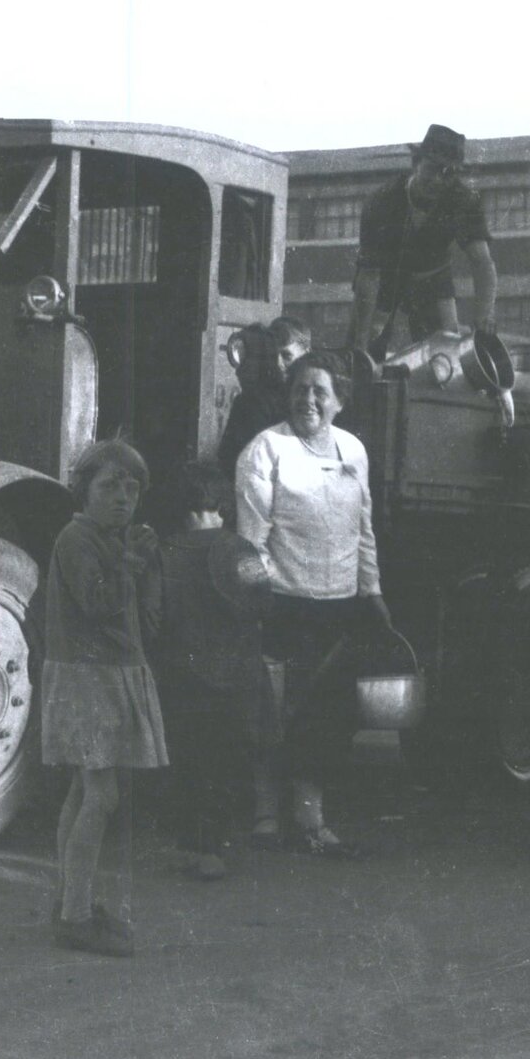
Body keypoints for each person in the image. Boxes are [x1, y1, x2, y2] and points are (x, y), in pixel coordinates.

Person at [236, 351, 391, 859]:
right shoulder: (266, 449)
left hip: (338, 607)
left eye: (320, 391)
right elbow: (251, 540)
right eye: (301, 389)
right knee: (273, 713)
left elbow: (363, 529)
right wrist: (258, 597)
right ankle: (263, 814)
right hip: (282, 603)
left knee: (326, 716)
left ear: (339, 401)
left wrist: (372, 591)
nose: (309, 400)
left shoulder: (354, 451)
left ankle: (309, 818)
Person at [40, 438, 168, 957]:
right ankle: (75, 915)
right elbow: (99, 604)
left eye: (131, 487)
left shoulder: (108, 538)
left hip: (99, 675)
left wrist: (139, 562)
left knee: (81, 789)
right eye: (109, 486)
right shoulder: (78, 539)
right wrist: (132, 564)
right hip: (87, 679)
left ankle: (73, 898)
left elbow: (143, 617)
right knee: (102, 796)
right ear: (83, 490)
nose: (122, 497)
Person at [153, 462, 264, 881]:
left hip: (179, 676)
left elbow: (153, 614)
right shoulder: (242, 551)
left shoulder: (163, 552)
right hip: (232, 677)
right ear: (222, 504)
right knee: (223, 763)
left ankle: (187, 844)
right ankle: (213, 849)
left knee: (185, 761)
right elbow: (262, 601)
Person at [346, 123, 497, 357]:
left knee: (444, 356)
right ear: (416, 164)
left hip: (433, 281)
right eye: (432, 169)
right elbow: (369, 276)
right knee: (362, 354)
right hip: (385, 280)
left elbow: (482, 262)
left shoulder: (464, 201)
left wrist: (483, 316)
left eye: (447, 173)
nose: (437, 179)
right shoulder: (382, 201)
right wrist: (360, 342)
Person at [217, 316, 312, 482]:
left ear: (306, 353)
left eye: (286, 355)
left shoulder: (311, 398)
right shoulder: (251, 402)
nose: (278, 364)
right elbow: (228, 462)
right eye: (273, 355)